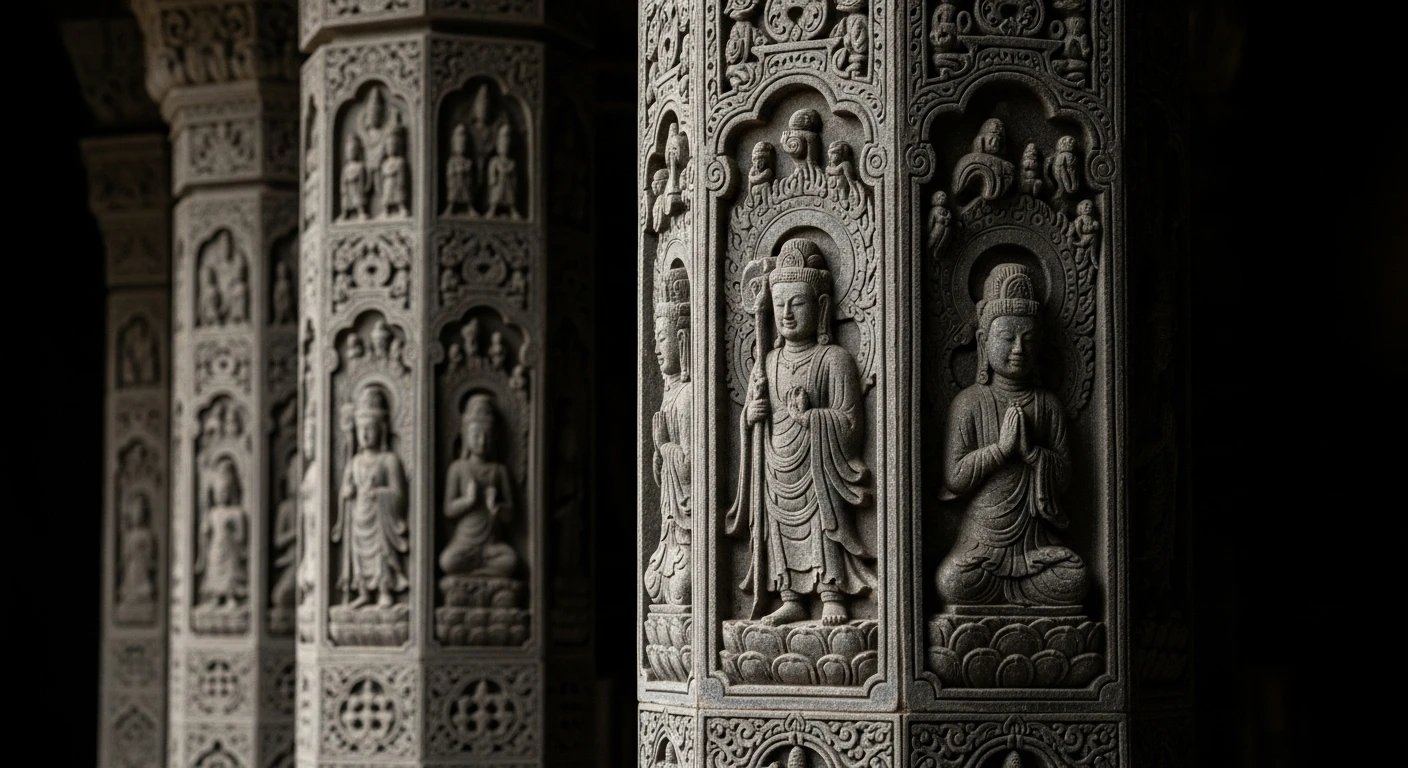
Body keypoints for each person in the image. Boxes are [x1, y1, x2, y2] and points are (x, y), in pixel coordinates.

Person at [727, 238, 875, 625]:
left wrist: (813, 418)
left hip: (818, 468)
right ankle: (789, 595)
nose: (787, 314)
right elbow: (758, 422)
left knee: (822, 522)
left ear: (822, 308)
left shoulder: (834, 360)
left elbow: (849, 424)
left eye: (798, 303)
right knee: (775, 523)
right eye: (780, 306)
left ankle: (831, 592)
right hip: (778, 469)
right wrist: (751, 416)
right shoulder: (770, 362)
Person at [935, 263, 1089, 607]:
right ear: (983, 341)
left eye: (1028, 339)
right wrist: (1002, 450)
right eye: (1007, 338)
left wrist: (1035, 455)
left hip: (1034, 541)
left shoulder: (1047, 405)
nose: (1018, 348)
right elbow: (955, 477)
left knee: (1074, 577)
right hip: (982, 542)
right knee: (952, 581)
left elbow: (1064, 478)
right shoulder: (969, 402)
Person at [335, 386, 409, 608]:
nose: (365, 434)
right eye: (360, 429)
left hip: (379, 520)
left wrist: (379, 494)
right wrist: (347, 494)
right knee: (358, 554)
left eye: (370, 428)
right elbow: (345, 491)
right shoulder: (354, 462)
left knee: (381, 553)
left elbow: (399, 495)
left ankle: (385, 589)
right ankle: (364, 590)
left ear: (382, 429)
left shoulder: (389, 460)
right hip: (359, 518)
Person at [439, 394, 520, 578]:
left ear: (494, 437)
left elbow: (511, 514)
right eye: (476, 435)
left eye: (487, 435)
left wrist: (497, 508)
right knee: (447, 561)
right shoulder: (458, 468)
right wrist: (467, 501)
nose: (482, 441)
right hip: (464, 543)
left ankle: (477, 575)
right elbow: (448, 510)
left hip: (491, 545)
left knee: (511, 560)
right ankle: (484, 575)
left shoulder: (499, 470)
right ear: (465, 435)